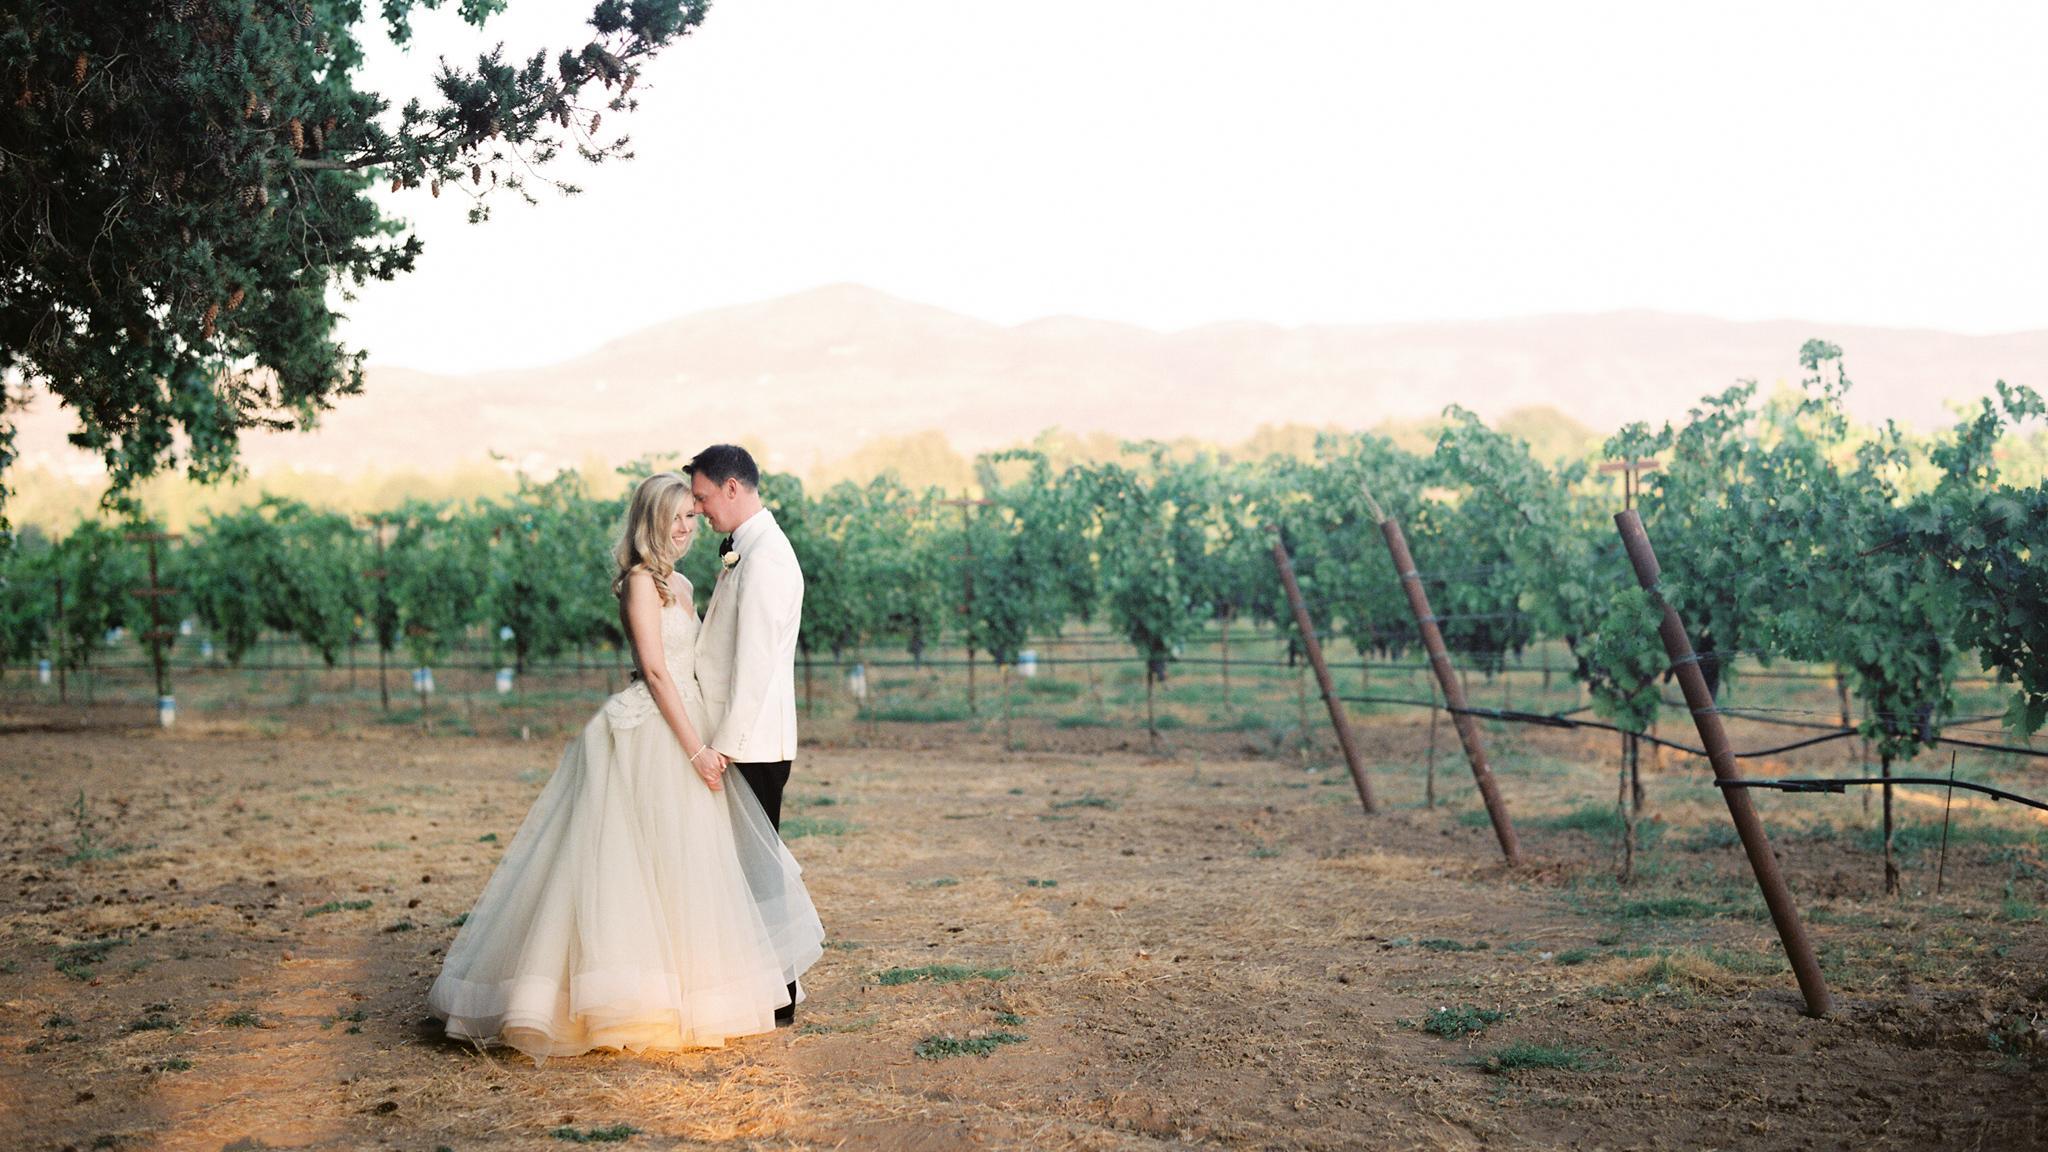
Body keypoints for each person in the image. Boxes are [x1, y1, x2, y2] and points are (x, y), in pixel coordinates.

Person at [426, 472, 822, 1064]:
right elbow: (657, 672)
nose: (686, 528)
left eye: (691, 516)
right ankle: (620, 993)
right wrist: (696, 749)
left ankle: (694, 985)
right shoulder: (640, 582)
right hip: (658, 732)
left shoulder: (683, 584)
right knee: (631, 859)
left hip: (694, 721)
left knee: (689, 862)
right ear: (649, 522)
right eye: (675, 518)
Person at [687, 444, 807, 1024]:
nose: (699, 509)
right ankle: (761, 986)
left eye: (703, 497)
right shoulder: (749, 550)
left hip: (752, 745)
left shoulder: (767, 560)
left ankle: (780, 996)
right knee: (746, 870)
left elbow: (756, 666)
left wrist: (722, 748)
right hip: (743, 740)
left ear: (732, 488)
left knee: (760, 874)